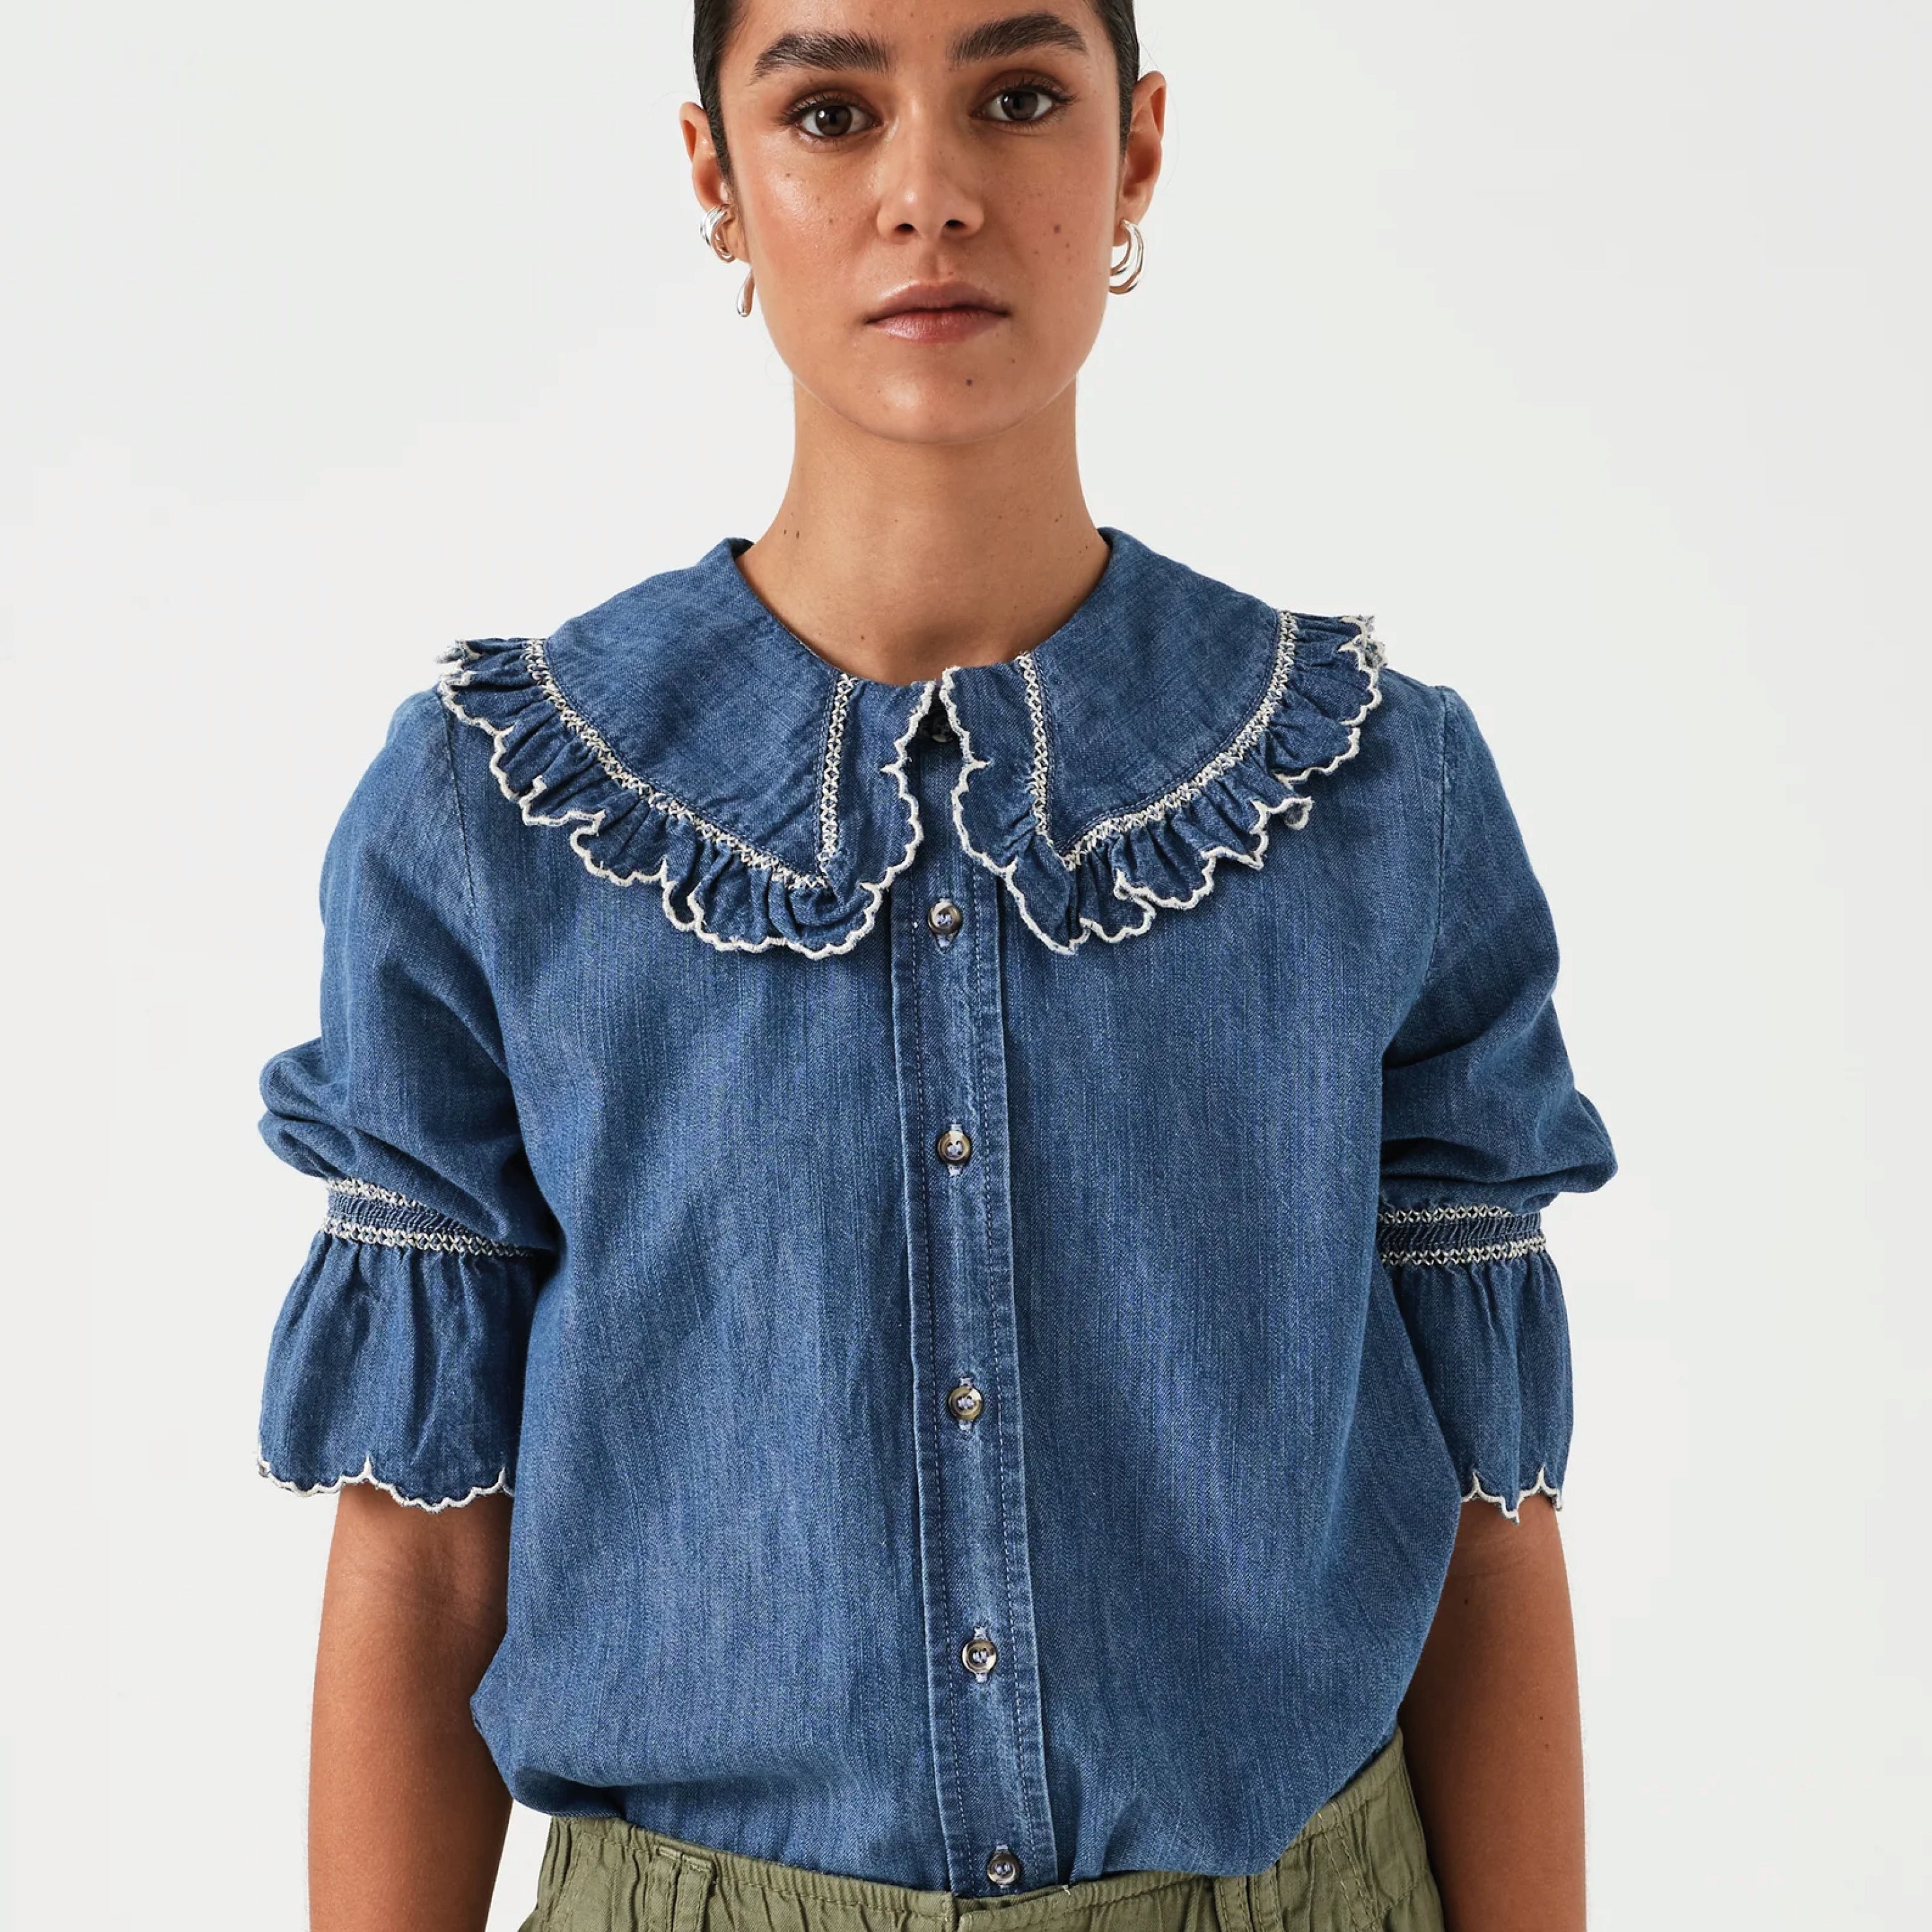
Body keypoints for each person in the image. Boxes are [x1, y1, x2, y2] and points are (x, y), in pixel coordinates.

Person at [253, 4, 1617, 1929]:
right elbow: (420, 1549)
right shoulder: (497, 818)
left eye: (1019, 97)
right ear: (716, 172)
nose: (929, 193)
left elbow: (1486, 1518)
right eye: (829, 111)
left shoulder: (1378, 799)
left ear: (1135, 150)